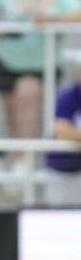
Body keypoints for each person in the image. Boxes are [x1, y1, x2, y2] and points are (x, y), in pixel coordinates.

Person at [0, 0, 81, 167]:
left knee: (27, 98)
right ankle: (17, 159)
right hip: (7, 60)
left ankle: (23, 160)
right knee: (11, 111)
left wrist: (54, 20)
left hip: (41, 64)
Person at [45, 66, 81, 205]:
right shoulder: (68, 96)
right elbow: (60, 131)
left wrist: (73, 134)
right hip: (60, 167)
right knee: (59, 213)